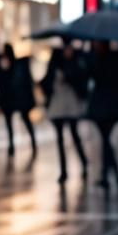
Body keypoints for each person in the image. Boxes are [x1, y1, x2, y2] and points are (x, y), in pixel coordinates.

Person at [41, 42, 89, 182]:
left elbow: (81, 81)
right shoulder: (55, 64)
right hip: (57, 105)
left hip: (71, 104)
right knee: (60, 139)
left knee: (75, 135)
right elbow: (47, 81)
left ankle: (83, 162)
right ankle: (63, 171)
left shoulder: (76, 63)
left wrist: (69, 77)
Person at [86, 41, 118, 188]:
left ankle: (108, 175)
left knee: (106, 140)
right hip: (100, 106)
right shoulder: (94, 57)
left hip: (111, 105)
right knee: (105, 140)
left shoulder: (116, 57)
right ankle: (114, 173)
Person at [0, 43, 37, 159]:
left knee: (24, 120)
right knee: (10, 123)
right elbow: (1, 83)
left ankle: (31, 142)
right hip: (9, 99)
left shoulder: (18, 64)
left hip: (17, 98)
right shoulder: (4, 65)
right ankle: (12, 145)